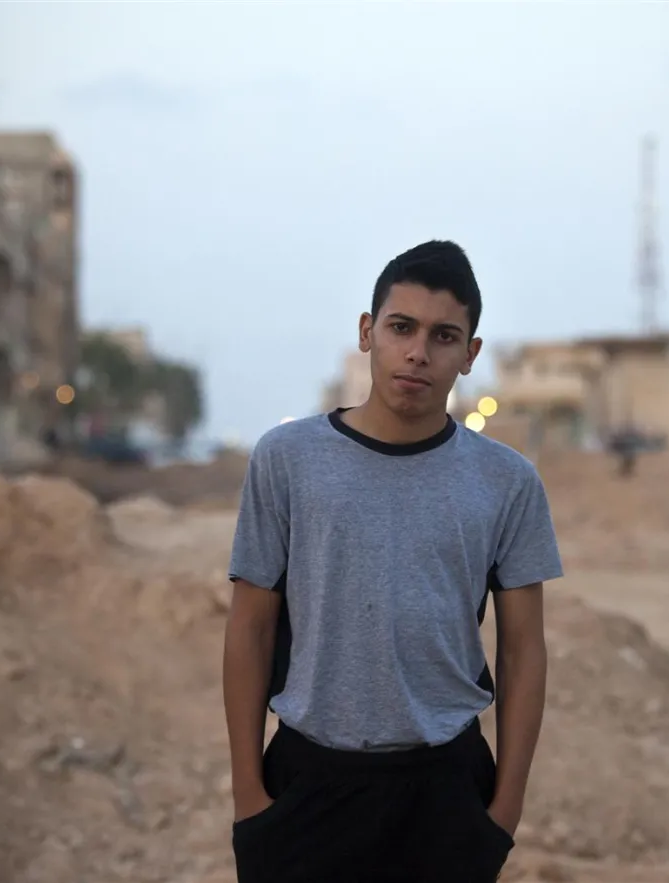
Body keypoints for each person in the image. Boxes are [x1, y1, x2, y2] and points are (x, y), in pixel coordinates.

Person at [223, 240, 563, 882]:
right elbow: (249, 626)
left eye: (443, 336)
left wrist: (503, 811)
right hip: (307, 783)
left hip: (445, 790)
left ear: (470, 355)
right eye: (401, 327)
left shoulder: (507, 481)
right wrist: (249, 797)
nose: (418, 352)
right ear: (366, 332)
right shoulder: (286, 460)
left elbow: (523, 650)